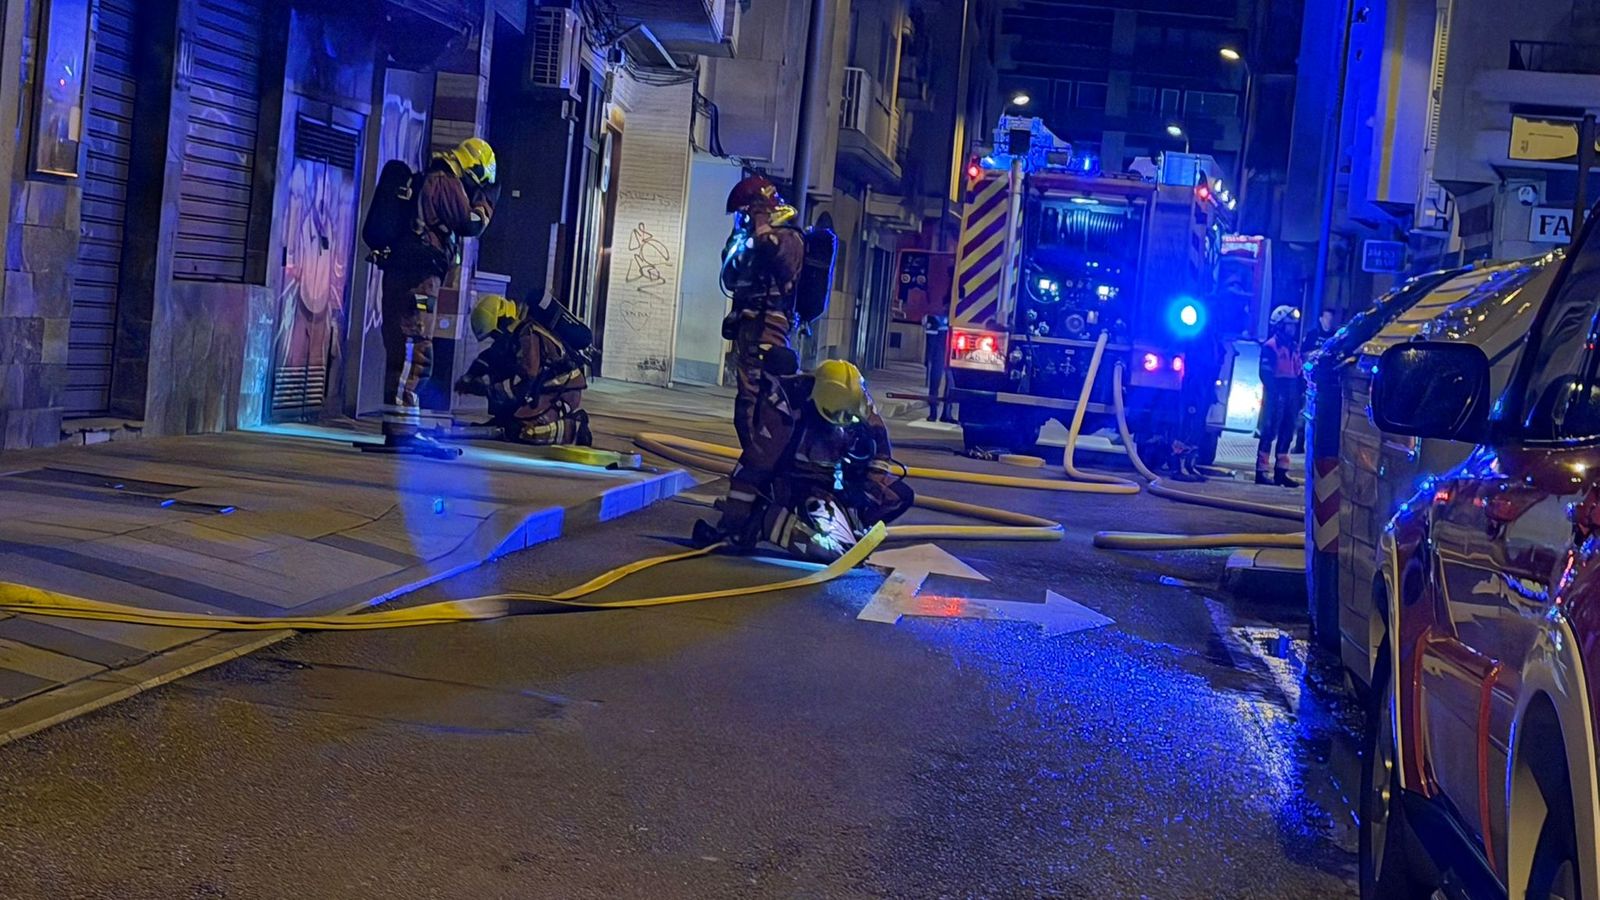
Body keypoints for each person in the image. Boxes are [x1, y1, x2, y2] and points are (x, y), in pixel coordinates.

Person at [695, 353, 915, 562]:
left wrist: (873, 479)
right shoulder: (785, 412)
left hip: (832, 485)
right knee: (823, 549)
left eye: (849, 419)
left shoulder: (856, 401)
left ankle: (851, 524)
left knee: (899, 496)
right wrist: (733, 523)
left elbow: (879, 439)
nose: (844, 424)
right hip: (792, 484)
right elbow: (753, 468)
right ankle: (764, 521)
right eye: (837, 419)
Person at [380, 137, 499, 456]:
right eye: (481, 180)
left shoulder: (432, 180)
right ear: (473, 168)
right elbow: (469, 224)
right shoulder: (445, 182)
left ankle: (401, 426)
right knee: (415, 350)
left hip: (412, 279)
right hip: (417, 282)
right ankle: (403, 431)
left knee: (409, 351)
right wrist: (486, 204)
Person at [721, 174, 806, 453]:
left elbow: (777, 260)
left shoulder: (789, 237)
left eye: (746, 213)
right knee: (747, 400)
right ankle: (756, 456)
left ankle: (762, 461)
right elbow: (730, 275)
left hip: (769, 326)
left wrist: (761, 225)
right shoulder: (750, 240)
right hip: (750, 326)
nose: (742, 219)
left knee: (761, 398)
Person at [455, 293, 592, 447]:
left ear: (502, 320)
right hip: (549, 389)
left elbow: (529, 376)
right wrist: (469, 378)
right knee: (506, 422)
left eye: (494, 333)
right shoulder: (516, 336)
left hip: (562, 392)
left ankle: (575, 429)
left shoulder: (528, 333)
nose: (495, 337)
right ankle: (503, 422)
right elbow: (491, 357)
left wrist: (490, 390)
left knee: (522, 432)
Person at [1257, 305, 1303, 487]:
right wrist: (1277, 394)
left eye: (1294, 326)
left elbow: (1298, 371)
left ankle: (1281, 473)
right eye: (1289, 325)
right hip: (1276, 393)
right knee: (1269, 431)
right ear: (1280, 326)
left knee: (1287, 433)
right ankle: (1261, 472)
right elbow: (1266, 374)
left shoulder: (1293, 346)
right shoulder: (1270, 346)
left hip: (1291, 392)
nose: (1292, 329)